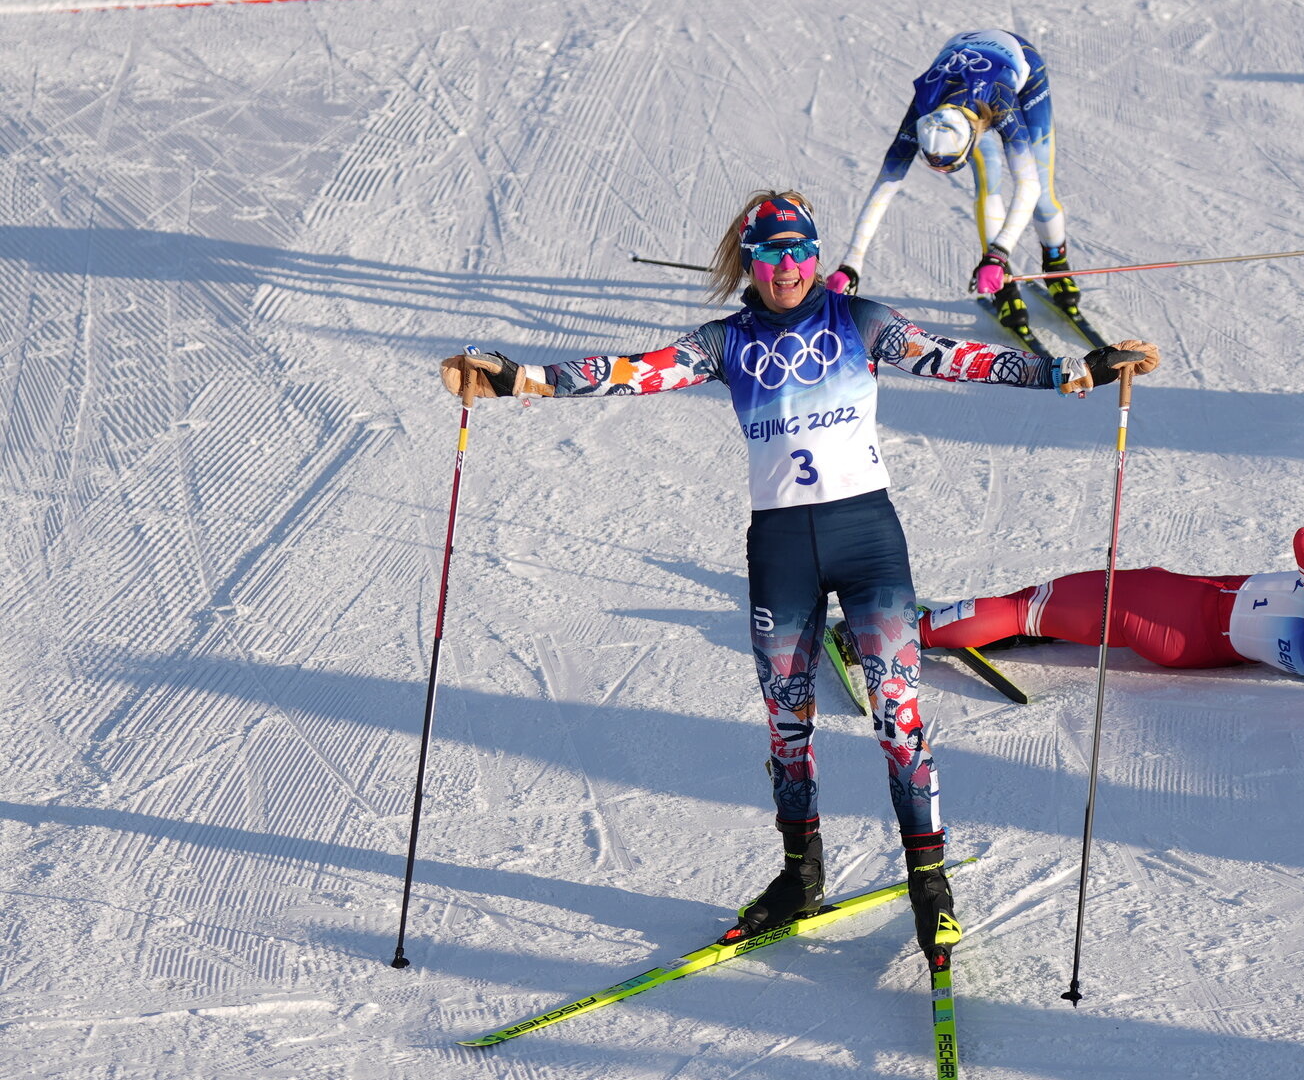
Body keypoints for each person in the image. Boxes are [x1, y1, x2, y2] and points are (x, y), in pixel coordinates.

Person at [439, 191, 1158, 963]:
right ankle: (800, 875)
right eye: (770, 255)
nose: (786, 269)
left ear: (817, 255)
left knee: (896, 711)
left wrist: (1076, 371)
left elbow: (963, 357)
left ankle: (931, 886)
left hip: (868, 541)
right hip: (781, 548)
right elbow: (631, 372)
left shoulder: (860, 321)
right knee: (788, 723)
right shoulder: (727, 342)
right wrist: (520, 380)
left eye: (799, 252)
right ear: (749, 262)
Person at [919, 526, 1304, 684]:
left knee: (1027, 607)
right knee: (1056, 609)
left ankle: (904, 635)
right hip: (1197, 630)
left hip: (1172, 613)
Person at [831, 32, 1075, 347]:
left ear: (969, 138)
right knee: (989, 178)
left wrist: (998, 253)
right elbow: (885, 185)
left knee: (1041, 190)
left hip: (1018, 68)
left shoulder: (1000, 99)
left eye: (948, 167)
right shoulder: (923, 109)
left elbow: (1026, 187)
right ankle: (1004, 286)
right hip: (961, 72)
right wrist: (852, 262)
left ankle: (1056, 262)